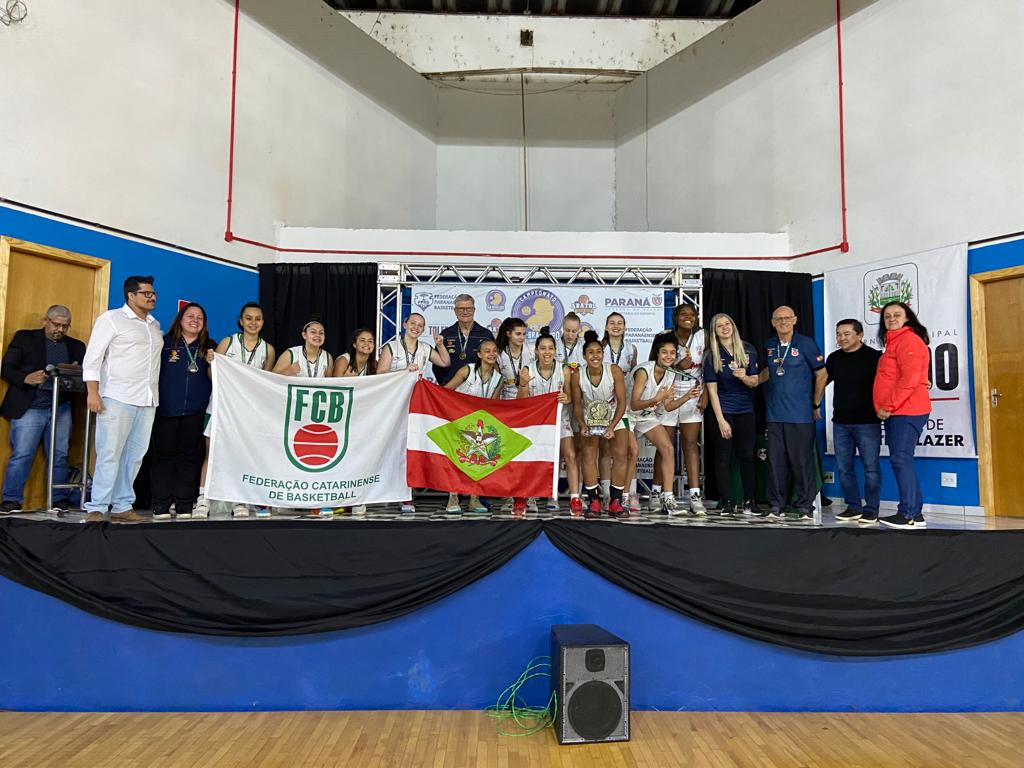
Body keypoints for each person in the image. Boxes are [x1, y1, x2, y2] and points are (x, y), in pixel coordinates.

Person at [82, 276, 164, 523]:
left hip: (147, 399)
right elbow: (93, 357)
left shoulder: (153, 324)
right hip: (117, 396)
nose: (152, 297)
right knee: (109, 452)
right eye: (147, 293)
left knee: (135, 455)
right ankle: (96, 506)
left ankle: (122, 506)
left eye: (153, 293)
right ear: (131, 295)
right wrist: (93, 392)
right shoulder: (111, 319)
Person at [0, 305, 86, 514]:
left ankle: (58, 499)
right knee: (22, 453)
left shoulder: (76, 346)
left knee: (59, 455)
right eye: (56, 324)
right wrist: (25, 378)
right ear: (45, 321)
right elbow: (6, 367)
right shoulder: (25, 338)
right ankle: (11, 500)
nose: (60, 330)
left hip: (61, 407)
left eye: (65, 326)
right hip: (30, 406)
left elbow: (83, 377)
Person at [195, 301, 277, 519]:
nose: (253, 322)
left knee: (241, 454)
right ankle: (203, 499)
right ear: (241, 321)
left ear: (263, 322)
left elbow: (265, 381)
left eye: (258, 318)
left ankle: (239, 499)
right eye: (248, 318)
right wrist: (213, 363)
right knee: (211, 453)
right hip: (220, 406)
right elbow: (213, 375)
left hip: (247, 411)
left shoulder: (267, 349)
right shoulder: (228, 342)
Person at [758, 305, 828, 522]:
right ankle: (775, 506)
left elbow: (822, 374)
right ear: (772, 322)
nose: (783, 322)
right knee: (775, 463)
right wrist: (753, 380)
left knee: (801, 461)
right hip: (774, 415)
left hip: (800, 415)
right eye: (778, 319)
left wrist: (815, 404)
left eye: (787, 318)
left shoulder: (806, 344)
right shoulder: (769, 345)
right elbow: (771, 370)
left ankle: (805, 506)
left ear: (795, 320)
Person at [149, 303, 215, 520]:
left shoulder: (210, 347)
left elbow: (216, 379)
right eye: (190, 316)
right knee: (163, 457)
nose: (195, 320)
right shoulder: (164, 343)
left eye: (200, 318)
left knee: (189, 458)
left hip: (196, 411)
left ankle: (185, 504)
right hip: (166, 409)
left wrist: (213, 364)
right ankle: (161, 504)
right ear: (180, 319)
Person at [873, 301, 931, 530]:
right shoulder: (893, 343)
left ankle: (907, 513)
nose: (891, 318)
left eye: (897, 314)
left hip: (906, 410)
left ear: (907, 318)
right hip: (900, 411)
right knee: (901, 459)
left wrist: (889, 406)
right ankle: (914, 514)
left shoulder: (908, 341)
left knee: (900, 459)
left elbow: (909, 379)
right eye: (887, 316)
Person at [517, 327, 581, 516]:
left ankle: (574, 498)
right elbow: (522, 400)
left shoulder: (564, 369)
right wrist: (523, 383)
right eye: (543, 348)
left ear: (555, 350)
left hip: (560, 418)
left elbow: (570, 397)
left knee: (569, 455)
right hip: (537, 422)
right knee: (533, 459)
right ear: (536, 350)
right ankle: (530, 496)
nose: (547, 352)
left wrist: (566, 398)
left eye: (550, 348)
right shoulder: (528, 369)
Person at [630, 333, 695, 515]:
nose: (668, 356)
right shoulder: (644, 371)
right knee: (632, 451)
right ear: (657, 353)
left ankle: (668, 498)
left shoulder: (670, 374)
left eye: (672, 353)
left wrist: (687, 397)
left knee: (667, 448)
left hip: (646, 415)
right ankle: (629, 495)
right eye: (664, 352)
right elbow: (634, 404)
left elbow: (668, 405)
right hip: (626, 414)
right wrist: (657, 398)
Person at [826, 318, 883, 525]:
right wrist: (814, 404)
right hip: (841, 422)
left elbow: (889, 382)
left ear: (859, 335)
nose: (841, 338)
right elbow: (821, 380)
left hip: (868, 421)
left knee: (871, 467)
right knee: (844, 467)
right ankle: (853, 507)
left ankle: (871, 509)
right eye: (839, 334)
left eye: (846, 334)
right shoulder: (834, 359)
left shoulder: (875, 357)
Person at [703, 314, 760, 517]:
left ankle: (749, 501)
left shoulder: (748, 349)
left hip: (745, 410)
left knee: (747, 456)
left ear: (733, 326)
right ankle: (725, 502)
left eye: (727, 324)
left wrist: (745, 377)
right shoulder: (711, 355)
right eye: (719, 326)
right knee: (723, 458)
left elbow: (755, 382)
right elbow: (712, 391)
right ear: (715, 331)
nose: (724, 328)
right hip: (723, 410)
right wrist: (721, 420)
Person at [572, 331, 630, 518]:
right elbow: (577, 405)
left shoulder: (614, 370)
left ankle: (615, 502)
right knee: (588, 455)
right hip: (591, 416)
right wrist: (582, 425)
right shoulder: (577, 375)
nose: (595, 356)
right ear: (584, 356)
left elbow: (622, 402)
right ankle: (594, 502)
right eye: (591, 352)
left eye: (598, 352)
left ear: (603, 354)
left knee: (621, 454)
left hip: (615, 414)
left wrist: (612, 427)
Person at [444, 338, 501, 515]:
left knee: (478, 460)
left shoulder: (499, 378)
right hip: (458, 420)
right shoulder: (466, 370)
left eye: (494, 351)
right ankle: (453, 497)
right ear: (479, 354)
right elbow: (445, 391)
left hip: (479, 424)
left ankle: (474, 497)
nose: (491, 354)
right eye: (487, 351)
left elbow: (492, 404)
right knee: (456, 460)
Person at [664, 303, 708, 515]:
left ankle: (694, 496)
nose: (688, 317)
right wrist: (676, 366)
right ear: (675, 316)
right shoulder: (664, 336)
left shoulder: (703, 337)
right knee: (665, 446)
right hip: (669, 395)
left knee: (691, 444)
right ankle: (659, 494)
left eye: (692, 314)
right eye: (683, 314)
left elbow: (710, 365)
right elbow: (655, 365)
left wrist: (707, 393)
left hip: (693, 396)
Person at [601, 313, 641, 512]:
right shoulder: (600, 349)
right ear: (606, 327)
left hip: (624, 408)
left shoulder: (631, 349)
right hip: (603, 407)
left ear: (624, 327)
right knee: (606, 451)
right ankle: (608, 494)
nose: (616, 326)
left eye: (620, 323)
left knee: (630, 450)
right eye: (612, 323)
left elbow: (634, 378)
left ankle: (628, 493)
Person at [433, 294, 494, 385]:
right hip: (451, 390)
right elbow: (437, 366)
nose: (465, 312)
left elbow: (493, 363)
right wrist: (445, 384)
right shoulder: (446, 335)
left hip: (477, 390)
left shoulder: (486, 335)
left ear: (474, 310)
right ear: (455, 311)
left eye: (469, 308)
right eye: (461, 309)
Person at [376, 313, 450, 374]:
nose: (416, 327)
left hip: (416, 391)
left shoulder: (426, 348)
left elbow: (445, 363)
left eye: (420, 325)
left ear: (423, 330)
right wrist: (404, 371)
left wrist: (440, 345)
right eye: (413, 323)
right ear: (405, 325)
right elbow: (380, 373)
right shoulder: (391, 347)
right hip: (395, 390)